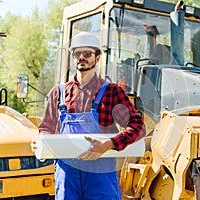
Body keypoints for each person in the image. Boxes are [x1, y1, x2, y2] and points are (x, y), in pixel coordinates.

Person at [31, 32, 145, 200]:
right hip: (67, 178)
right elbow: (46, 128)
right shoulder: (58, 93)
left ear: (97, 58)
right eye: (77, 53)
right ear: (73, 57)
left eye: (87, 53)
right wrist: (41, 142)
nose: (82, 57)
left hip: (100, 179)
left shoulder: (112, 92)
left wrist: (109, 144)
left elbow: (138, 126)